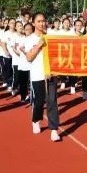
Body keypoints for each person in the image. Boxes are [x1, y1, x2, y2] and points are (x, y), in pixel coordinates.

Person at [25, 13, 61, 142]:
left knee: (52, 101)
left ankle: (54, 130)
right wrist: (39, 45)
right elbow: (29, 58)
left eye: (43, 21)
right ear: (34, 23)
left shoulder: (50, 36)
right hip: (37, 75)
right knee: (39, 102)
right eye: (39, 21)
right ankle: (36, 120)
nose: (42, 23)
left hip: (50, 74)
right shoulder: (29, 39)